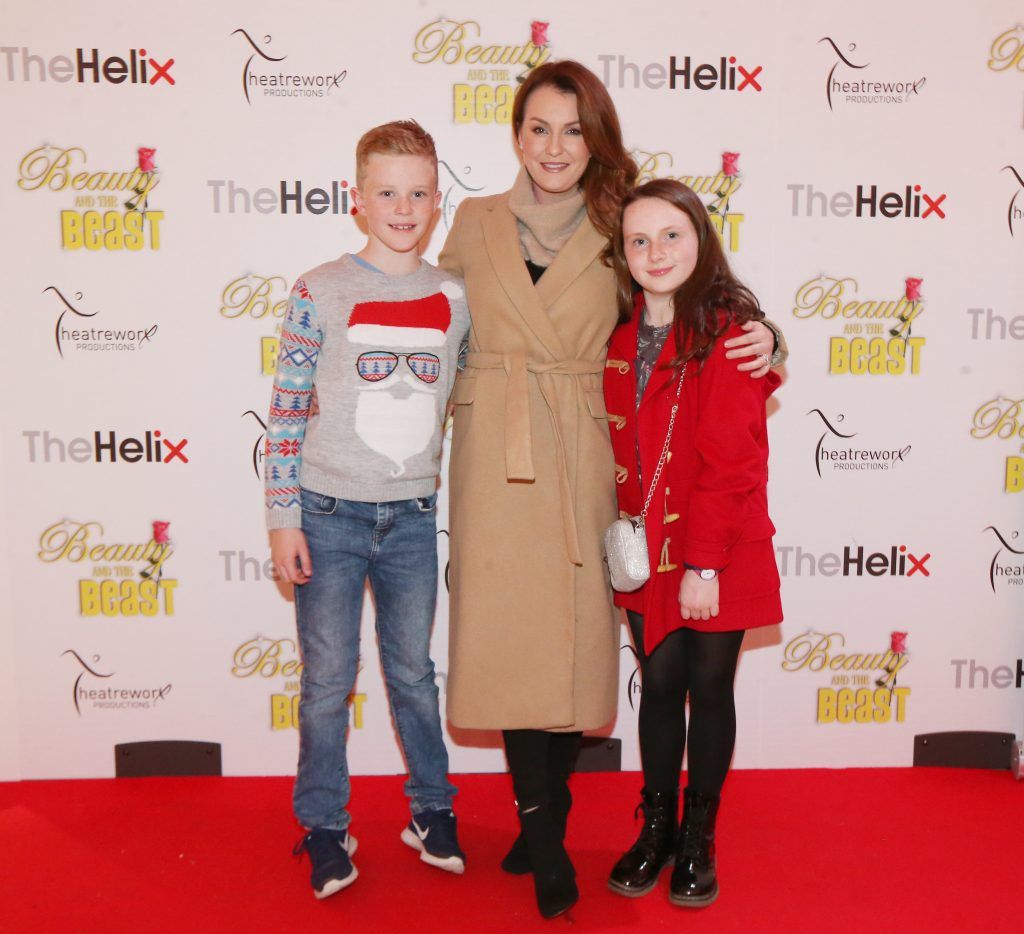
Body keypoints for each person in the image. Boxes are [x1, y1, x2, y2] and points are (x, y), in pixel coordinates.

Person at [437, 61, 783, 919]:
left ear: (597, 138)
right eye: (538, 128)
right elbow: (428, 318)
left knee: (582, 643)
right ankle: (542, 824)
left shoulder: (615, 224)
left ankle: (669, 831)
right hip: (497, 454)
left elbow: (695, 294)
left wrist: (768, 334)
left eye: (573, 129)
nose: (555, 147)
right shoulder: (473, 221)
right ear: (514, 133)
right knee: (514, 635)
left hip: (597, 461)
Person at [264, 120, 470, 899]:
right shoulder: (319, 288)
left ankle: (432, 809)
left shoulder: (457, 297)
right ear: (357, 200)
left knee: (414, 673)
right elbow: (285, 412)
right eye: (387, 191)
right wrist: (283, 516)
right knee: (326, 680)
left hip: (413, 516)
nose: (404, 206)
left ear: (438, 200)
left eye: (419, 192)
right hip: (324, 514)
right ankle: (323, 824)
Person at [602, 178, 783, 907]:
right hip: (646, 553)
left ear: (701, 239)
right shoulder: (614, 330)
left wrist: (704, 563)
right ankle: (659, 829)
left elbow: (734, 460)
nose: (655, 252)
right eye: (639, 240)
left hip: (722, 545)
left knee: (709, 690)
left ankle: (700, 838)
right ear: (622, 253)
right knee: (659, 689)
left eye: (671, 235)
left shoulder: (730, 328)